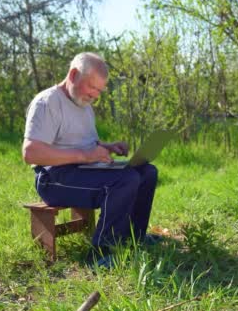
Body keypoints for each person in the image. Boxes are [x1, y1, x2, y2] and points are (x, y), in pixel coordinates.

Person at [22, 52, 160, 268]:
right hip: (53, 178)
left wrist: (108, 147)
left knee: (147, 172)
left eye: (99, 90)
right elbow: (31, 152)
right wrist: (85, 156)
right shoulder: (47, 102)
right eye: (92, 87)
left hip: (82, 171)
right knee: (125, 180)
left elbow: (85, 143)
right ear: (73, 74)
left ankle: (135, 237)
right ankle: (101, 253)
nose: (95, 95)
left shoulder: (84, 107)